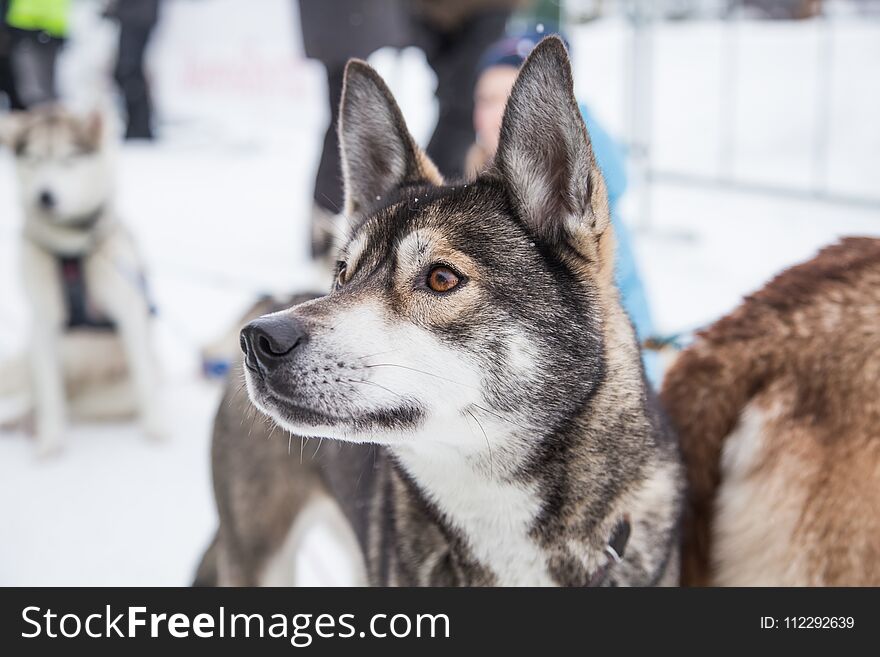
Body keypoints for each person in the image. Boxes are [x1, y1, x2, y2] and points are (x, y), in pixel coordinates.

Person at [470, 29, 662, 384]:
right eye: (485, 99)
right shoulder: (475, 184)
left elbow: (619, 310)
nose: (493, 114)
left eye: (509, 100)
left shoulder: (578, 209)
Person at [297, 0, 524, 267]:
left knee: (461, 109)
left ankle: (441, 224)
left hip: (482, 8)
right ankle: (334, 225)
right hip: (417, 11)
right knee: (356, 113)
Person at [104, 0, 161, 140]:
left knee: (129, 72)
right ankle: (137, 126)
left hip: (137, 17)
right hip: (134, 16)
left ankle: (140, 127)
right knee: (127, 72)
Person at [2, 0, 70, 108]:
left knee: (47, 92)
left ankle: (46, 119)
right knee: (33, 92)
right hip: (25, 25)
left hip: (53, 28)